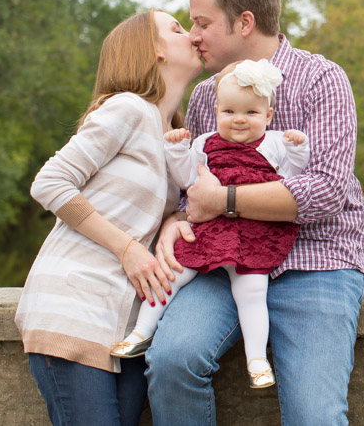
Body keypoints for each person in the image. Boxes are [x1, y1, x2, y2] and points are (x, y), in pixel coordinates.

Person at [145, 0, 364, 426]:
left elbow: (326, 190)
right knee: (170, 362)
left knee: (315, 416)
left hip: (315, 263)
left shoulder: (322, 79)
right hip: (224, 258)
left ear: (245, 22)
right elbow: (196, 187)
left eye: (203, 22)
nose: (193, 35)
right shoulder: (207, 97)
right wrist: (176, 219)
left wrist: (225, 200)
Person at [15, 10, 203, 425]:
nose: (191, 34)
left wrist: (174, 218)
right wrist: (126, 247)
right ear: (152, 50)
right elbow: (51, 181)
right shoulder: (128, 109)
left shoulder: (170, 132)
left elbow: (157, 213)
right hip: (74, 307)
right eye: (176, 28)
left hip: (127, 324)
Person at [111, 59, 310, 391]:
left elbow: (292, 176)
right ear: (216, 110)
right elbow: (187, 178)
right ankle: (140, 332)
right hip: (212, 230)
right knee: (172, 274)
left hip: (254, 232)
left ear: (269, 116)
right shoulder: (204, 142)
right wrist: (175, 149)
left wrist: (297, 147)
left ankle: (256, 358)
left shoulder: (274, 142)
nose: (240, 120)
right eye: (230, 112)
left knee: (252, 292)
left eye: (251, 113)